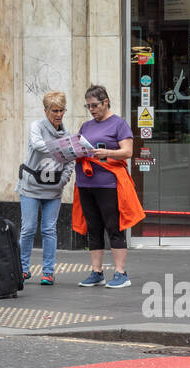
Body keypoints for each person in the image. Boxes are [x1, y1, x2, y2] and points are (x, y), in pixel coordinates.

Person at [75, 85, 135, 289]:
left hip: (109, 184)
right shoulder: (86, 126)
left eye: (94, 105)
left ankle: (121, 272)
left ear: (105, 102)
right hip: (85, 182)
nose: (91, 110)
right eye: (88, 106)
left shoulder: (119, 124)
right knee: (93, 228)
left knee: (114, 227)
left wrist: (106, 153)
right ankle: (96, 271)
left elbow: (127, 152)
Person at [19, 91, 75, 286]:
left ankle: (48, 272)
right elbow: (38, 145)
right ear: (46, 110)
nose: (58, 115)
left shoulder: (67, 135)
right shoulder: (37, 127)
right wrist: (64, 148)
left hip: (53, 189)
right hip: (31, 187)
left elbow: (70, 162)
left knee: (49, 230)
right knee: (28, 229)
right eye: (54, 111)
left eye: (61, 110)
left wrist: (63, 181)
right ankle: (23, 269)